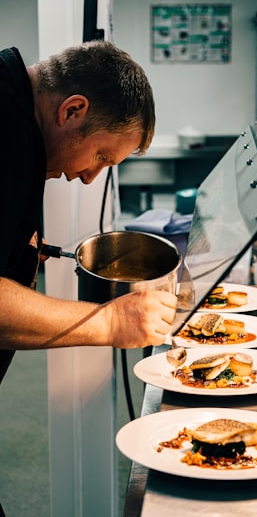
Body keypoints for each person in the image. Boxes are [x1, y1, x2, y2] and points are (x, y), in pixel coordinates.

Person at [0, 40, 177, 384]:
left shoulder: (16, 111)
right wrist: (110, 322)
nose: (88, 178)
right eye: (101, 156)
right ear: (72, 110)